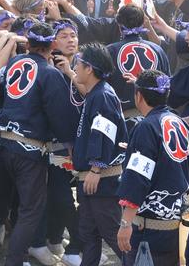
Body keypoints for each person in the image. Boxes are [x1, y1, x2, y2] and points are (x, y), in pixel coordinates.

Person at [0, 21, 78, 266]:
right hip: (29, 147)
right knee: (31, 209)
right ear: (52, 44)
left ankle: (22, 254)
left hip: (6, 142)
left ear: (28, 43)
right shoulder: (50, 73)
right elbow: (61, 115)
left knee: (25, 206)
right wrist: (70, 143)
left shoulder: (14, 63)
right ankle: (15, 260)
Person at [117, 69, 189, 266]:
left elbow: (136, 179)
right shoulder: (182, 124)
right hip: (173, 230)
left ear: (138, 95)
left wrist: (125, 223)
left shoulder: (146, 127)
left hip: (146, 231)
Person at [71, 43, 128, 266]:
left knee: (113, 235)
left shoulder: (102, 95)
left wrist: (96, 168)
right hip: (92, 179)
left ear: (89, 69)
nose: (75, 66)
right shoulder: (97, 93)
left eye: (78, 63)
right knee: (89, 234)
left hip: (101, 179)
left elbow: (103, 135)